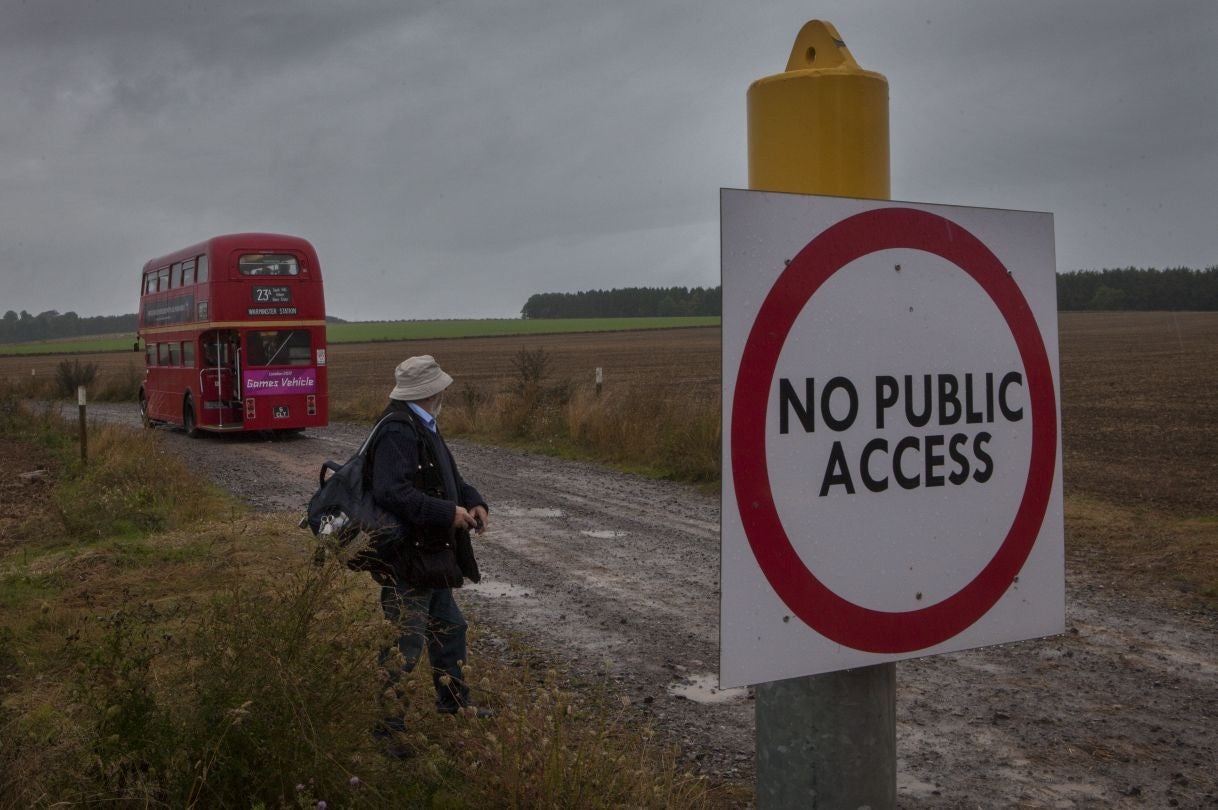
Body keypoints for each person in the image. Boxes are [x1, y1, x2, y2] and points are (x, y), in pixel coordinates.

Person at [368, 355, 490, 725]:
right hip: (407, 557)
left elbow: (449, 476)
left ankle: (453, 703)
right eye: (440, 388)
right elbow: (390, 492)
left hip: (432, 554)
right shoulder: (397, 431)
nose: (444, 393)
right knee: (406, 642)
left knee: (451, 629)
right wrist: (446, 513)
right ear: (429, 392)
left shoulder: (424, 425)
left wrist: (473, 501)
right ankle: (388, 728)